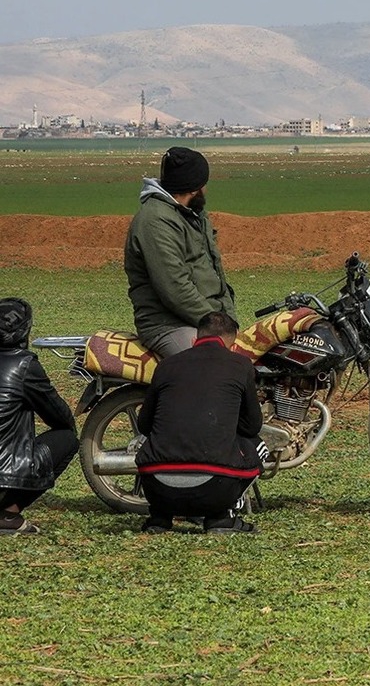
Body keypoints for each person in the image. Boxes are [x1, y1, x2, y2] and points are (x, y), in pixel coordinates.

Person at [135, 311, 266, 534]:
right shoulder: (241, 365)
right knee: (259, 445)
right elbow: (252, 426)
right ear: (231, 341)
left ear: (196, 338)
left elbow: (144, 425)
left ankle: (160, 518)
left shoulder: (166, 365)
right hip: (215, 490)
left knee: (151, 441)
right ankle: (222, 517)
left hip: (157, 489)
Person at [124, 146, 236, 358]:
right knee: (212, 368)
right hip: (168, 324)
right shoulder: (156, 221)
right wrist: (216, 324)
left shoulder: (192, 215)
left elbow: (213, 271)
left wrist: (227, 319)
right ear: (194, 189)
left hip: (203, 320)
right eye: (204, 184)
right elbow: (174, 287)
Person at [0, 298, 79, 535]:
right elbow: (59, 417)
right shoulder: (23, 365)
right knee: (67, 439)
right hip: (5, 476)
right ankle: (8, 514)